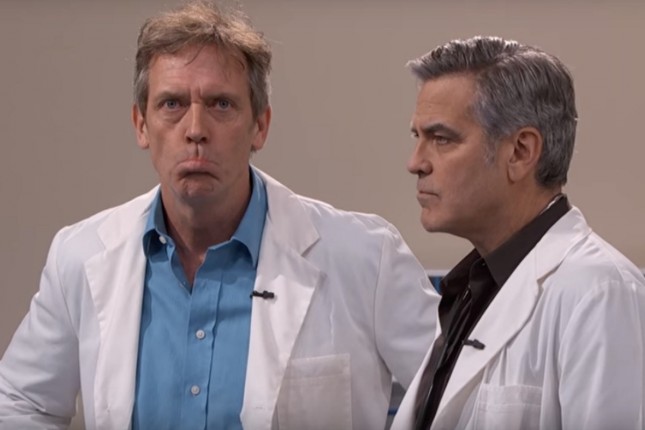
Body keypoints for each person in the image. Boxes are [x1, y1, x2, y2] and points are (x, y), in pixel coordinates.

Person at [0, 2, 440, 429]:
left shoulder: (366, 259)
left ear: (260, 126)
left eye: (221, 104)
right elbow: (19, 404)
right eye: (172, 104)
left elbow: (462, 401)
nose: (195, 129)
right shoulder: (79, 256)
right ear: (141, 125)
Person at [391, 36, 645, 430]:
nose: (416, 163)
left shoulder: (600, 292)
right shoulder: (472, 289)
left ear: (521, 152)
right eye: (417, 137)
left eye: (441, 139)